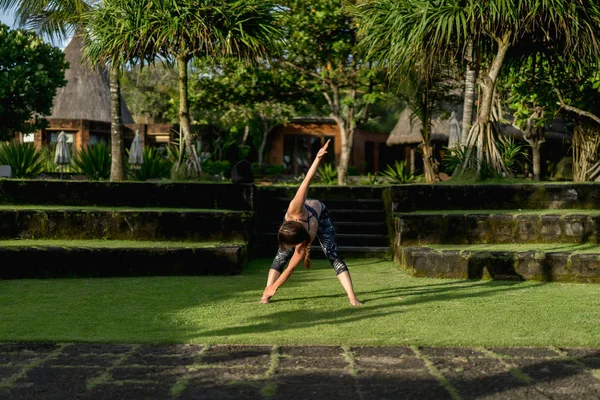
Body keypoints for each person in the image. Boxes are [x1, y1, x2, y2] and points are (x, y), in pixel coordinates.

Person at [260, 139, 363, 306]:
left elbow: (291, 268)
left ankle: (352, 297)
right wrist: (273, 288)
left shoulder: (302, 222)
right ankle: (266, 295)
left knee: (333, 255)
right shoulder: (294, 215)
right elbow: (306, 181)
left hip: (320, 214)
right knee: (280, 256)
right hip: (300, 226)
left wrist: (277, 285)